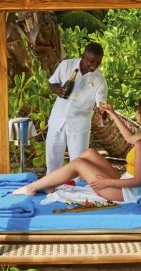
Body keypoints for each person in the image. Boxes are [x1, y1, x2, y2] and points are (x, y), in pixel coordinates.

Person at [12, 96, 141, 203]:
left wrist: (107, 182)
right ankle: (51, 184)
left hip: (126, 193)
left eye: (137, 108)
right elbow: (128, 137)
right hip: (125, 183)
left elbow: (137, 181)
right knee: (90, 153)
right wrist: (112, 113)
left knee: (78, 164)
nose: (135, 111)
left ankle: (32, 187)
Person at [44, 43, 107, 174]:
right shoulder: (66, 65)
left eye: (98, 62)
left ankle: (77, 191)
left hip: (80, 124)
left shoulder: (100, 81)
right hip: (58, 119)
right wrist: (58, 90)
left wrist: (103, 111)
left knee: (79, 163)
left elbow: (101, 104)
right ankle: (51, 190)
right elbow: (52, 82)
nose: (94, 65)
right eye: (91, 61)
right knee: (52, 160)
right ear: (82, 56)